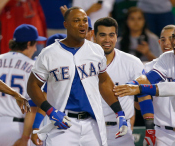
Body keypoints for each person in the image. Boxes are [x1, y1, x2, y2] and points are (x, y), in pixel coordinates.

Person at [27, 7, 128, 146]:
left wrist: (119, 112)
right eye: (76, 21)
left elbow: (104, 82)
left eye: (85, 21)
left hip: (92, 124)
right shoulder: (49, 53)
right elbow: (32, 86)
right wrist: (50, 111)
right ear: (66, 25)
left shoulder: (96, 50)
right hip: (62, 124)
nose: (82, 24)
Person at [113, 20, 175, 146]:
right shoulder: (167, 57)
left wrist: (139, 89)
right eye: (174, 37)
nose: (174, 42)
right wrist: (130, 85)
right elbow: (150, 78)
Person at [93, 17, 144, 146]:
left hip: (121, 131)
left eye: (111, 35)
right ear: (94, 36)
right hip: (91, 129)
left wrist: (131, 119)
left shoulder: (132, 63)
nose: (107, 40)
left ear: (116, 36)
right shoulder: (85, 62)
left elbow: (141, 97)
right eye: (102, 35)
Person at [0, 24, 46, 146]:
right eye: (35, 44)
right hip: (16, 129)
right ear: (29, 43)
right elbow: (33, 107)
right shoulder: (33, 67)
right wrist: (25, 138)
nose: (36, 49)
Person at [144, 25, 175, 146]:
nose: (167, 43)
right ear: (159, 42)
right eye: (163, 40)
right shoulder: (148, 68)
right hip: (162, 133)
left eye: (171, 38)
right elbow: (140, 102)